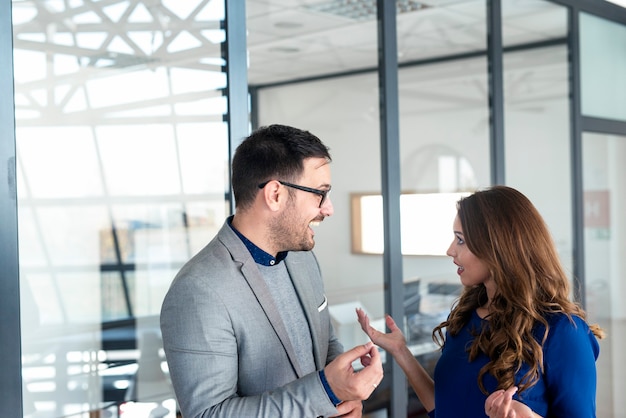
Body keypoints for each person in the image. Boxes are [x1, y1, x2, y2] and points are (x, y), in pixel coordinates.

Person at [160, 124, 383, 418]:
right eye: (320, 194)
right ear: (275, 195)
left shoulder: (303, 260)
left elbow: (324, 342)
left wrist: (345, 398)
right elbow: (209, 414)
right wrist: (328, 392)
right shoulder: (198, 290)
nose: (328, 209)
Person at [357, 185, 604, 418]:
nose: (450, 250)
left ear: (498, 247)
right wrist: (401, 352)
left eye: (460, 239)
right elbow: (444, 407)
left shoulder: (561, 331)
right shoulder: (466, 318)